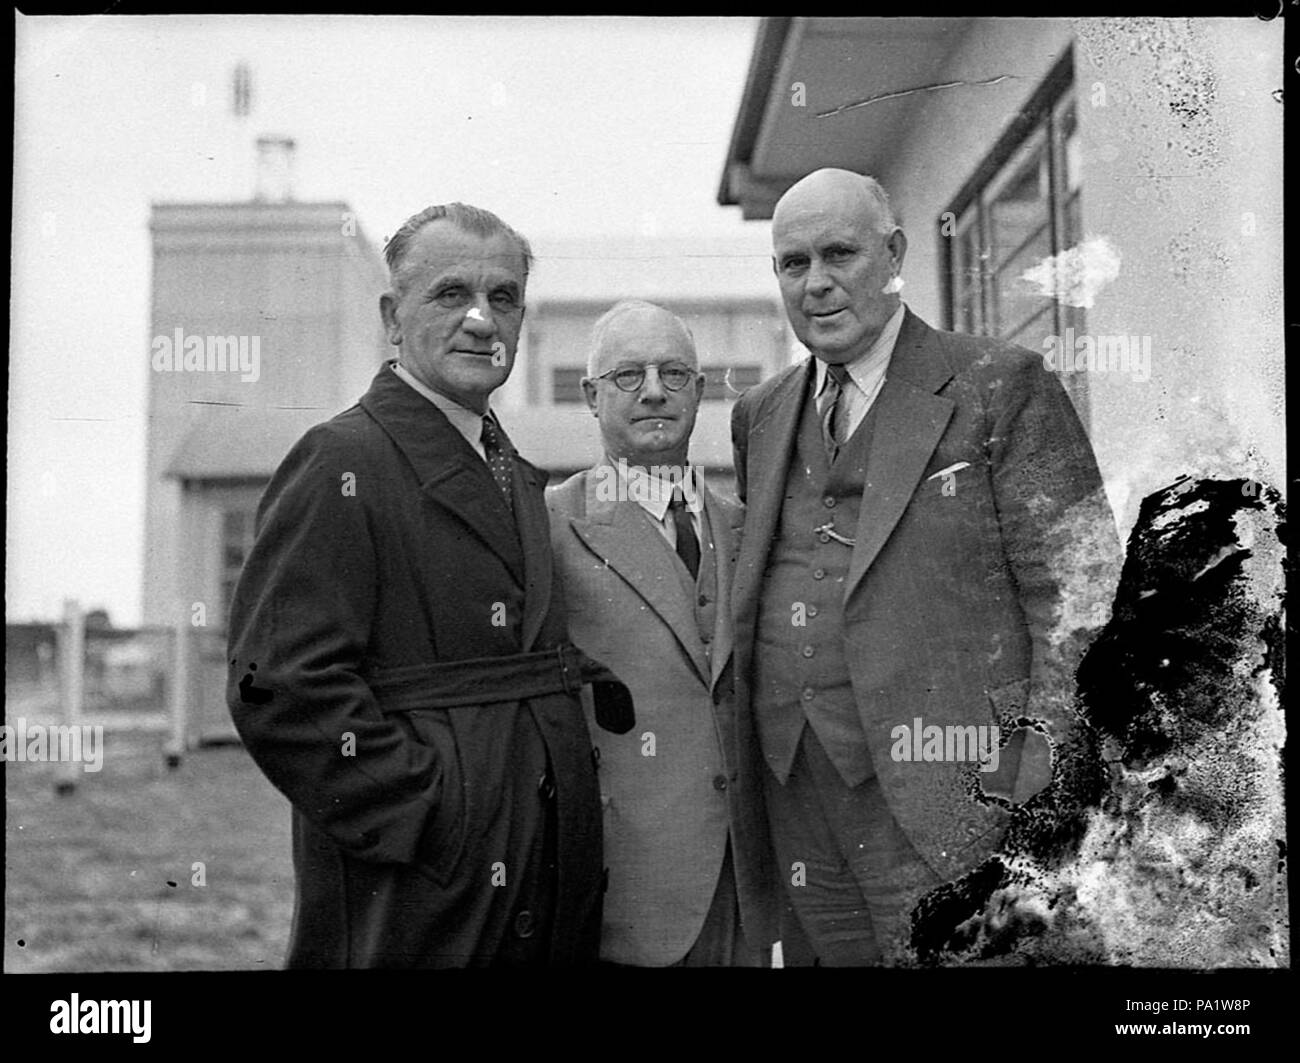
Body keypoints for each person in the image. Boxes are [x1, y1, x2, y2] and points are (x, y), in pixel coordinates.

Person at [730, 168, 1122, 965]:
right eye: (793, 263)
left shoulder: (1000, 385)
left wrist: (1035, 778)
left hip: (954, 800)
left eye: (839, 253)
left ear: (896, 252)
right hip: (797, 792)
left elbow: (1079, 597)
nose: (817, 283)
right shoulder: (760, 414)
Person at [226, 202, 628, 968]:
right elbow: (278, 685)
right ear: (392, 316)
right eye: (451, 294)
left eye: (503, 297)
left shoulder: (505, 465)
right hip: (423, 888)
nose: (482, 319)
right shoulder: (342, 458)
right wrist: (434, 817)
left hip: (537, 864)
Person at [547, 301, 778, 966]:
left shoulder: (745, 524)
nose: (653, 390)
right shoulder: (552, 524)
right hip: (630, 898)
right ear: (591, 396)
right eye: (628, 375)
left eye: (674, 373)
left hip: (749, 895)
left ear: (701, 391)